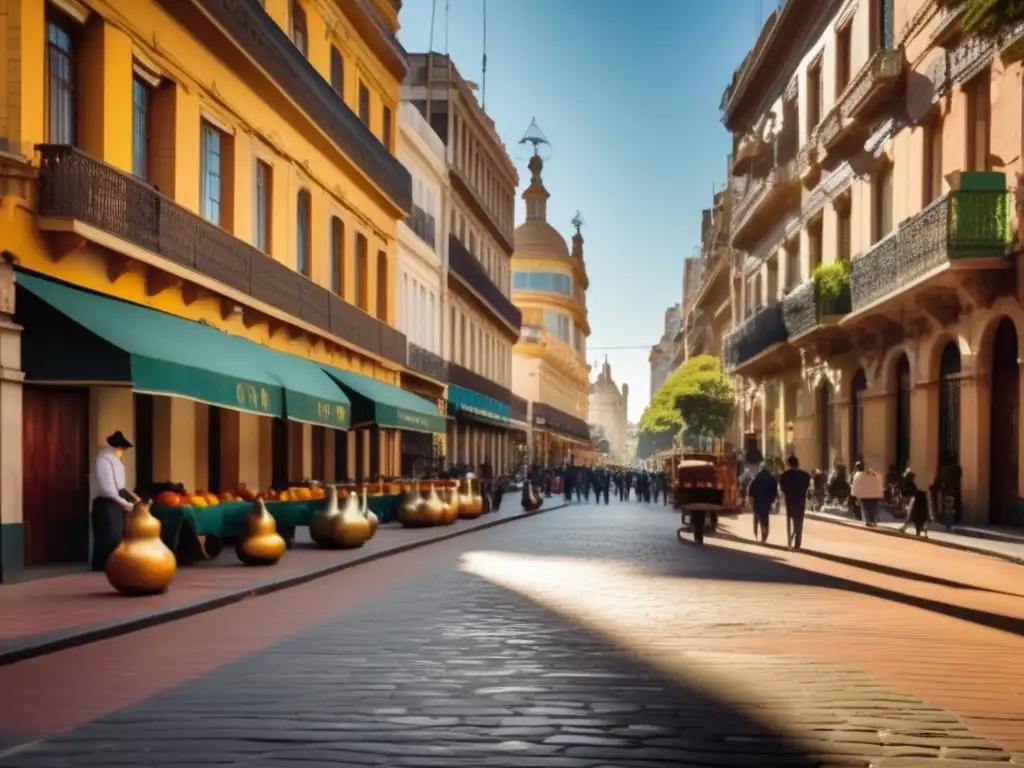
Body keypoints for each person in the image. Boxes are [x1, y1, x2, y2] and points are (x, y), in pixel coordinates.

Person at [90, 430, 137, 571]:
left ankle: (115, 564)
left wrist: (133, 497)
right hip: (106, 502)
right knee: (110, 535)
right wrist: (125, 503)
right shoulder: (104, 460)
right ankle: (104, 565)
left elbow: (120, 486)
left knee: (118, 533)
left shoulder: (116, 461)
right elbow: (108, 488)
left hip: (117, 500)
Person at [778, 456, 811, 550]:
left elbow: (782, 488)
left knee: (790, 520)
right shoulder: (805, 475)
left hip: (790, 500)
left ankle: (789, 541)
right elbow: (807, 486)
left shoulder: (784, 475)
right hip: (800, 500)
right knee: (799, 522)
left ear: (788, 464)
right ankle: (797, 542)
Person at [747, 463, 778, 543]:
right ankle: (765, 532)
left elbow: (752, 488)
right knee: (765, 515)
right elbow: (775, 491)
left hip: (758, 499)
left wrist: (750, 497)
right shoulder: (772, 479)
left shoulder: (757, 477)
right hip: (767, 500)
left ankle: (757, 531)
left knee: (758, 514)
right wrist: (773, 499)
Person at [851, 461, 884, 526]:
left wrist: (854, 494)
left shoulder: (857, 475)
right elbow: (879, 479)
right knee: (873, 508)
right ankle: (874, 521)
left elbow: (855, 485)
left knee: (866, 508)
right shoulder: (872, 473)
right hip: (875, 494)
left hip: (864, 495)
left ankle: (868, 521)